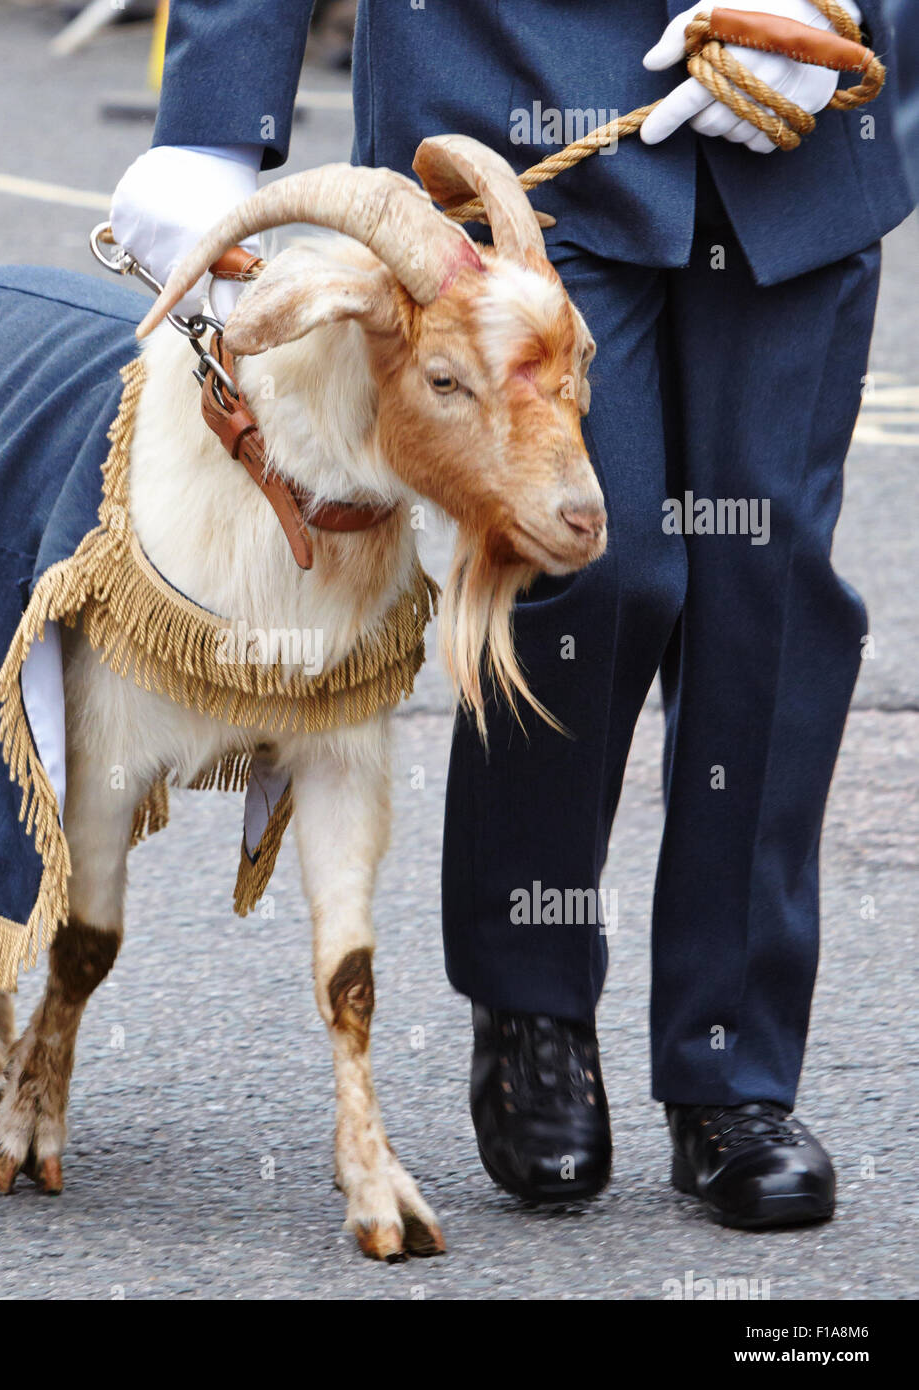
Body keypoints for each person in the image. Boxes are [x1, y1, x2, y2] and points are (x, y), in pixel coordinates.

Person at [109, 0, 912, 1229]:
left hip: (792, 121)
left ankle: (732, 1069)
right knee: (593, 562)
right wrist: (217, 115)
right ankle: (532, 1005)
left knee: (774, 592)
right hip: (519, 97)